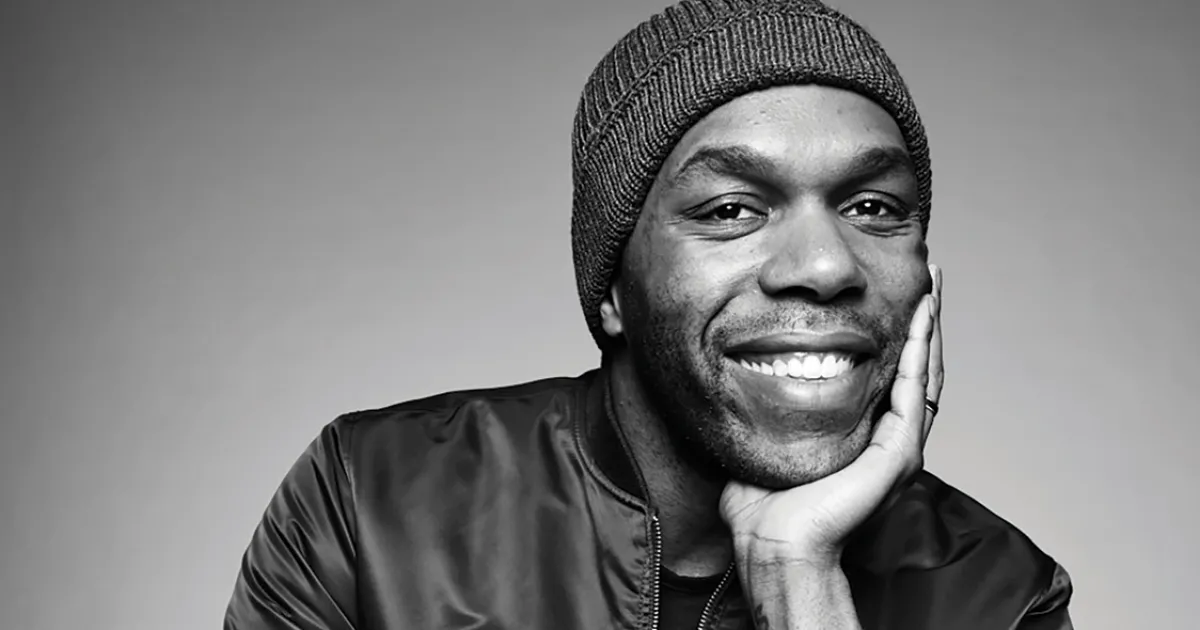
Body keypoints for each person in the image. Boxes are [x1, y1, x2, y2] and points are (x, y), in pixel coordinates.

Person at [224, 0, 1074, 628]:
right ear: (612, 290)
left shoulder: (1000, 597)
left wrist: (800, 580)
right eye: (731, 210)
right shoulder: (372, 503)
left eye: (874, 208)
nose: (825, 266)